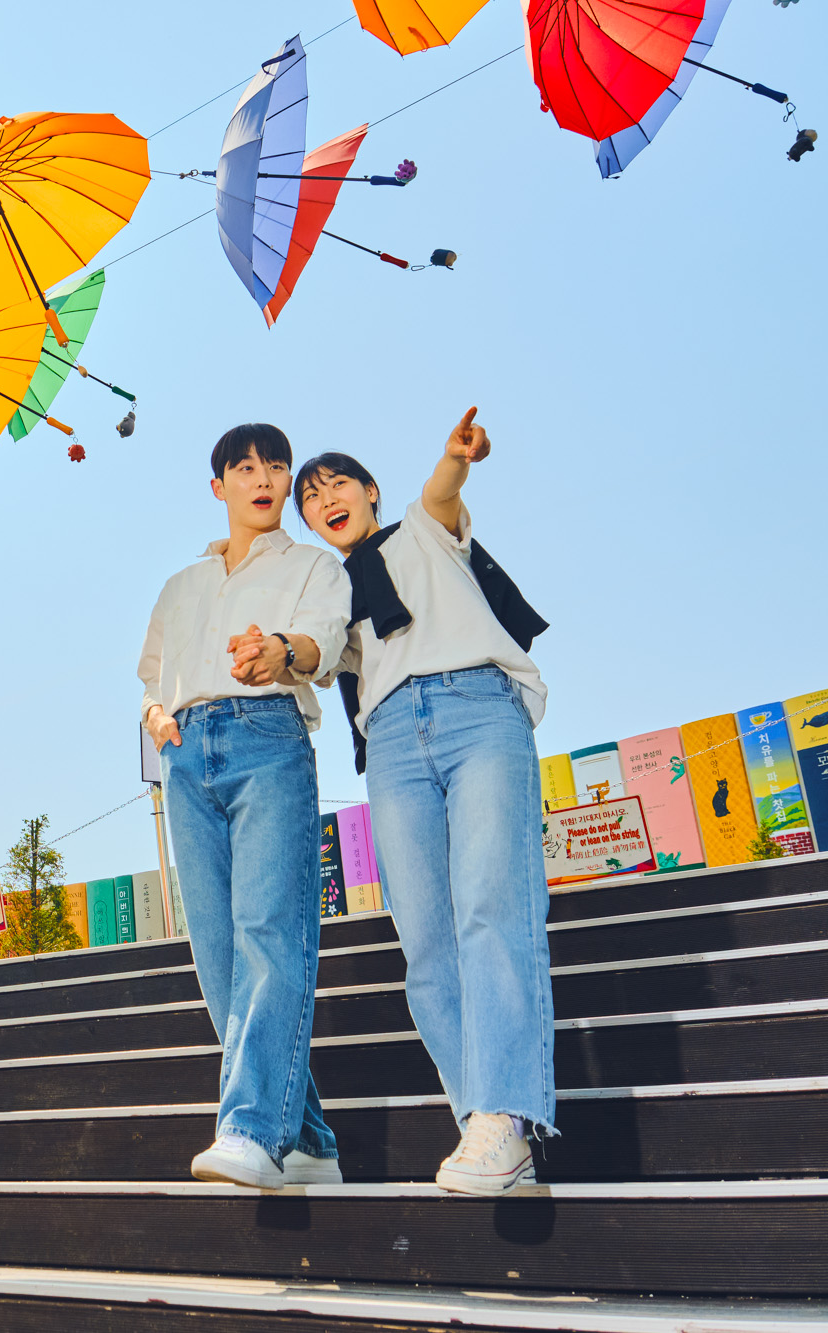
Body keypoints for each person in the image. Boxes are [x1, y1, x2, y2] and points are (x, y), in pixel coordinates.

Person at [284, 408, 556, 1197]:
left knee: (489, 906)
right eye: (311, 496)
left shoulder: (418, 532)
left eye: (338, 483)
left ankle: (504, 1115)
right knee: (428, 941)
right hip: (393, 741)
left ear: (371, 492)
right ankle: (482, 1120)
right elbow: (307, 652)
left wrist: (453, 460)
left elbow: (442, 496)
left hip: (475, 706)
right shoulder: (329, 594)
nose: (325, 498)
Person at [137, 423, 350, 1190]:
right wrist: (159, 721)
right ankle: (313, 1143)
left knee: (270, 929)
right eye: (245, 466)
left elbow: (323, 641)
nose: (263, 478)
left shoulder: (312, 566)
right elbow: (151, 681)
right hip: (187, 755)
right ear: (219, 484)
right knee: (219, 957)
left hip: (268, 736)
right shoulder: (181, 585)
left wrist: (280, 650)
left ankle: (253, 1128)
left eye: (276, 466)